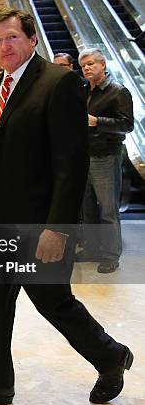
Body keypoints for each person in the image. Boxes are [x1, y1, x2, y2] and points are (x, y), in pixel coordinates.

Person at [0, 9, 132, 405]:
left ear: (32, 39)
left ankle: (111, 356)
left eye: (12, 37)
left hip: (40, 223)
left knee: (52, 301)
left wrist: (59, 228)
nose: (4, 47)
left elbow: (71, 163)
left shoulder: (59, 82)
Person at [77, 48, 133, 273]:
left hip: (106, 157)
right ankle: (91, 249)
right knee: (87, 208)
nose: (87, 68)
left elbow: (127, 125)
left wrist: (97, 121)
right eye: (83, 65)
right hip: (84, 156)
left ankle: (110, 256)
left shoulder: (117, 91)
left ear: (103, 65)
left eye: (91, 64)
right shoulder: (83, 89)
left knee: (108, 210)